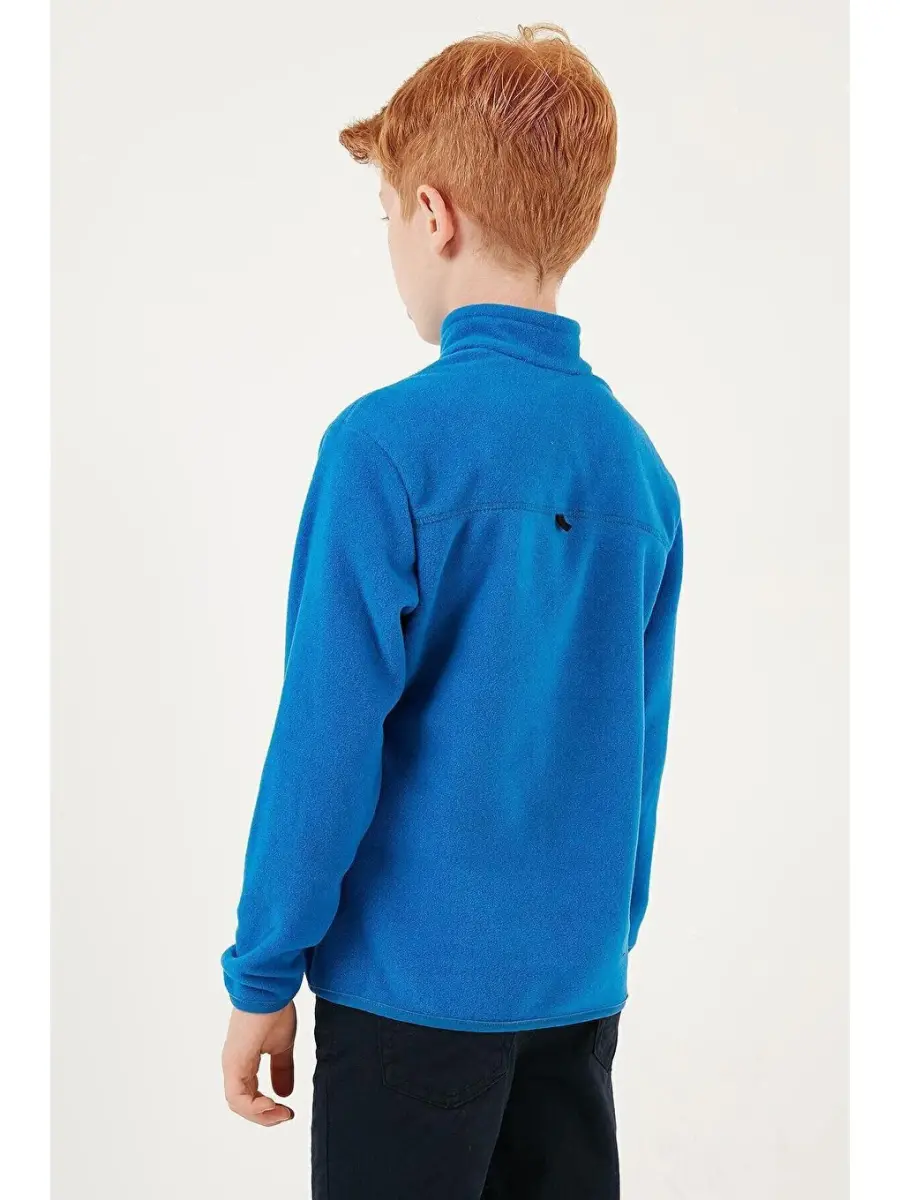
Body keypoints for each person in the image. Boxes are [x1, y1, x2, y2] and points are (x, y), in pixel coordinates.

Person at [220, 24, 682, 1200]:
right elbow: (639, 752)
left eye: (385, 215)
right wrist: (599, 943)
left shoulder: (384, 449)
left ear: (433, 215)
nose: (391, 241)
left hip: (406, 1008)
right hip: (575, 1005)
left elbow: (324, 740)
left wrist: (264, 973)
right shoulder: (638, 473)